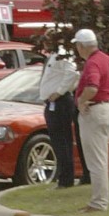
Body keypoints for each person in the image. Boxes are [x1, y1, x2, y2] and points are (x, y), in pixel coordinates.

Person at [73, 26, 109, 212]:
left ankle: (99, 203)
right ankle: (99, 200)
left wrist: (81, 101)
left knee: (96, 161)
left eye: (77, 46)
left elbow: (92, 87)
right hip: (108, 108)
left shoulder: (92, 63)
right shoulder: (105, 59)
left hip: (95, 110)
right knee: (100, 157)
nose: (77, 49)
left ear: (82, 46)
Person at [33, 32, 80, 189]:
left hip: (60, 102)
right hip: (52, 103)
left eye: (47, 40)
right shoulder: (53, 56)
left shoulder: (62, 54)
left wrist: (59, 92)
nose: (45, 44)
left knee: (62, 142)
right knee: (58, 141)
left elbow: (73, 72)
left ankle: (66, 179)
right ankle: (64, 177)